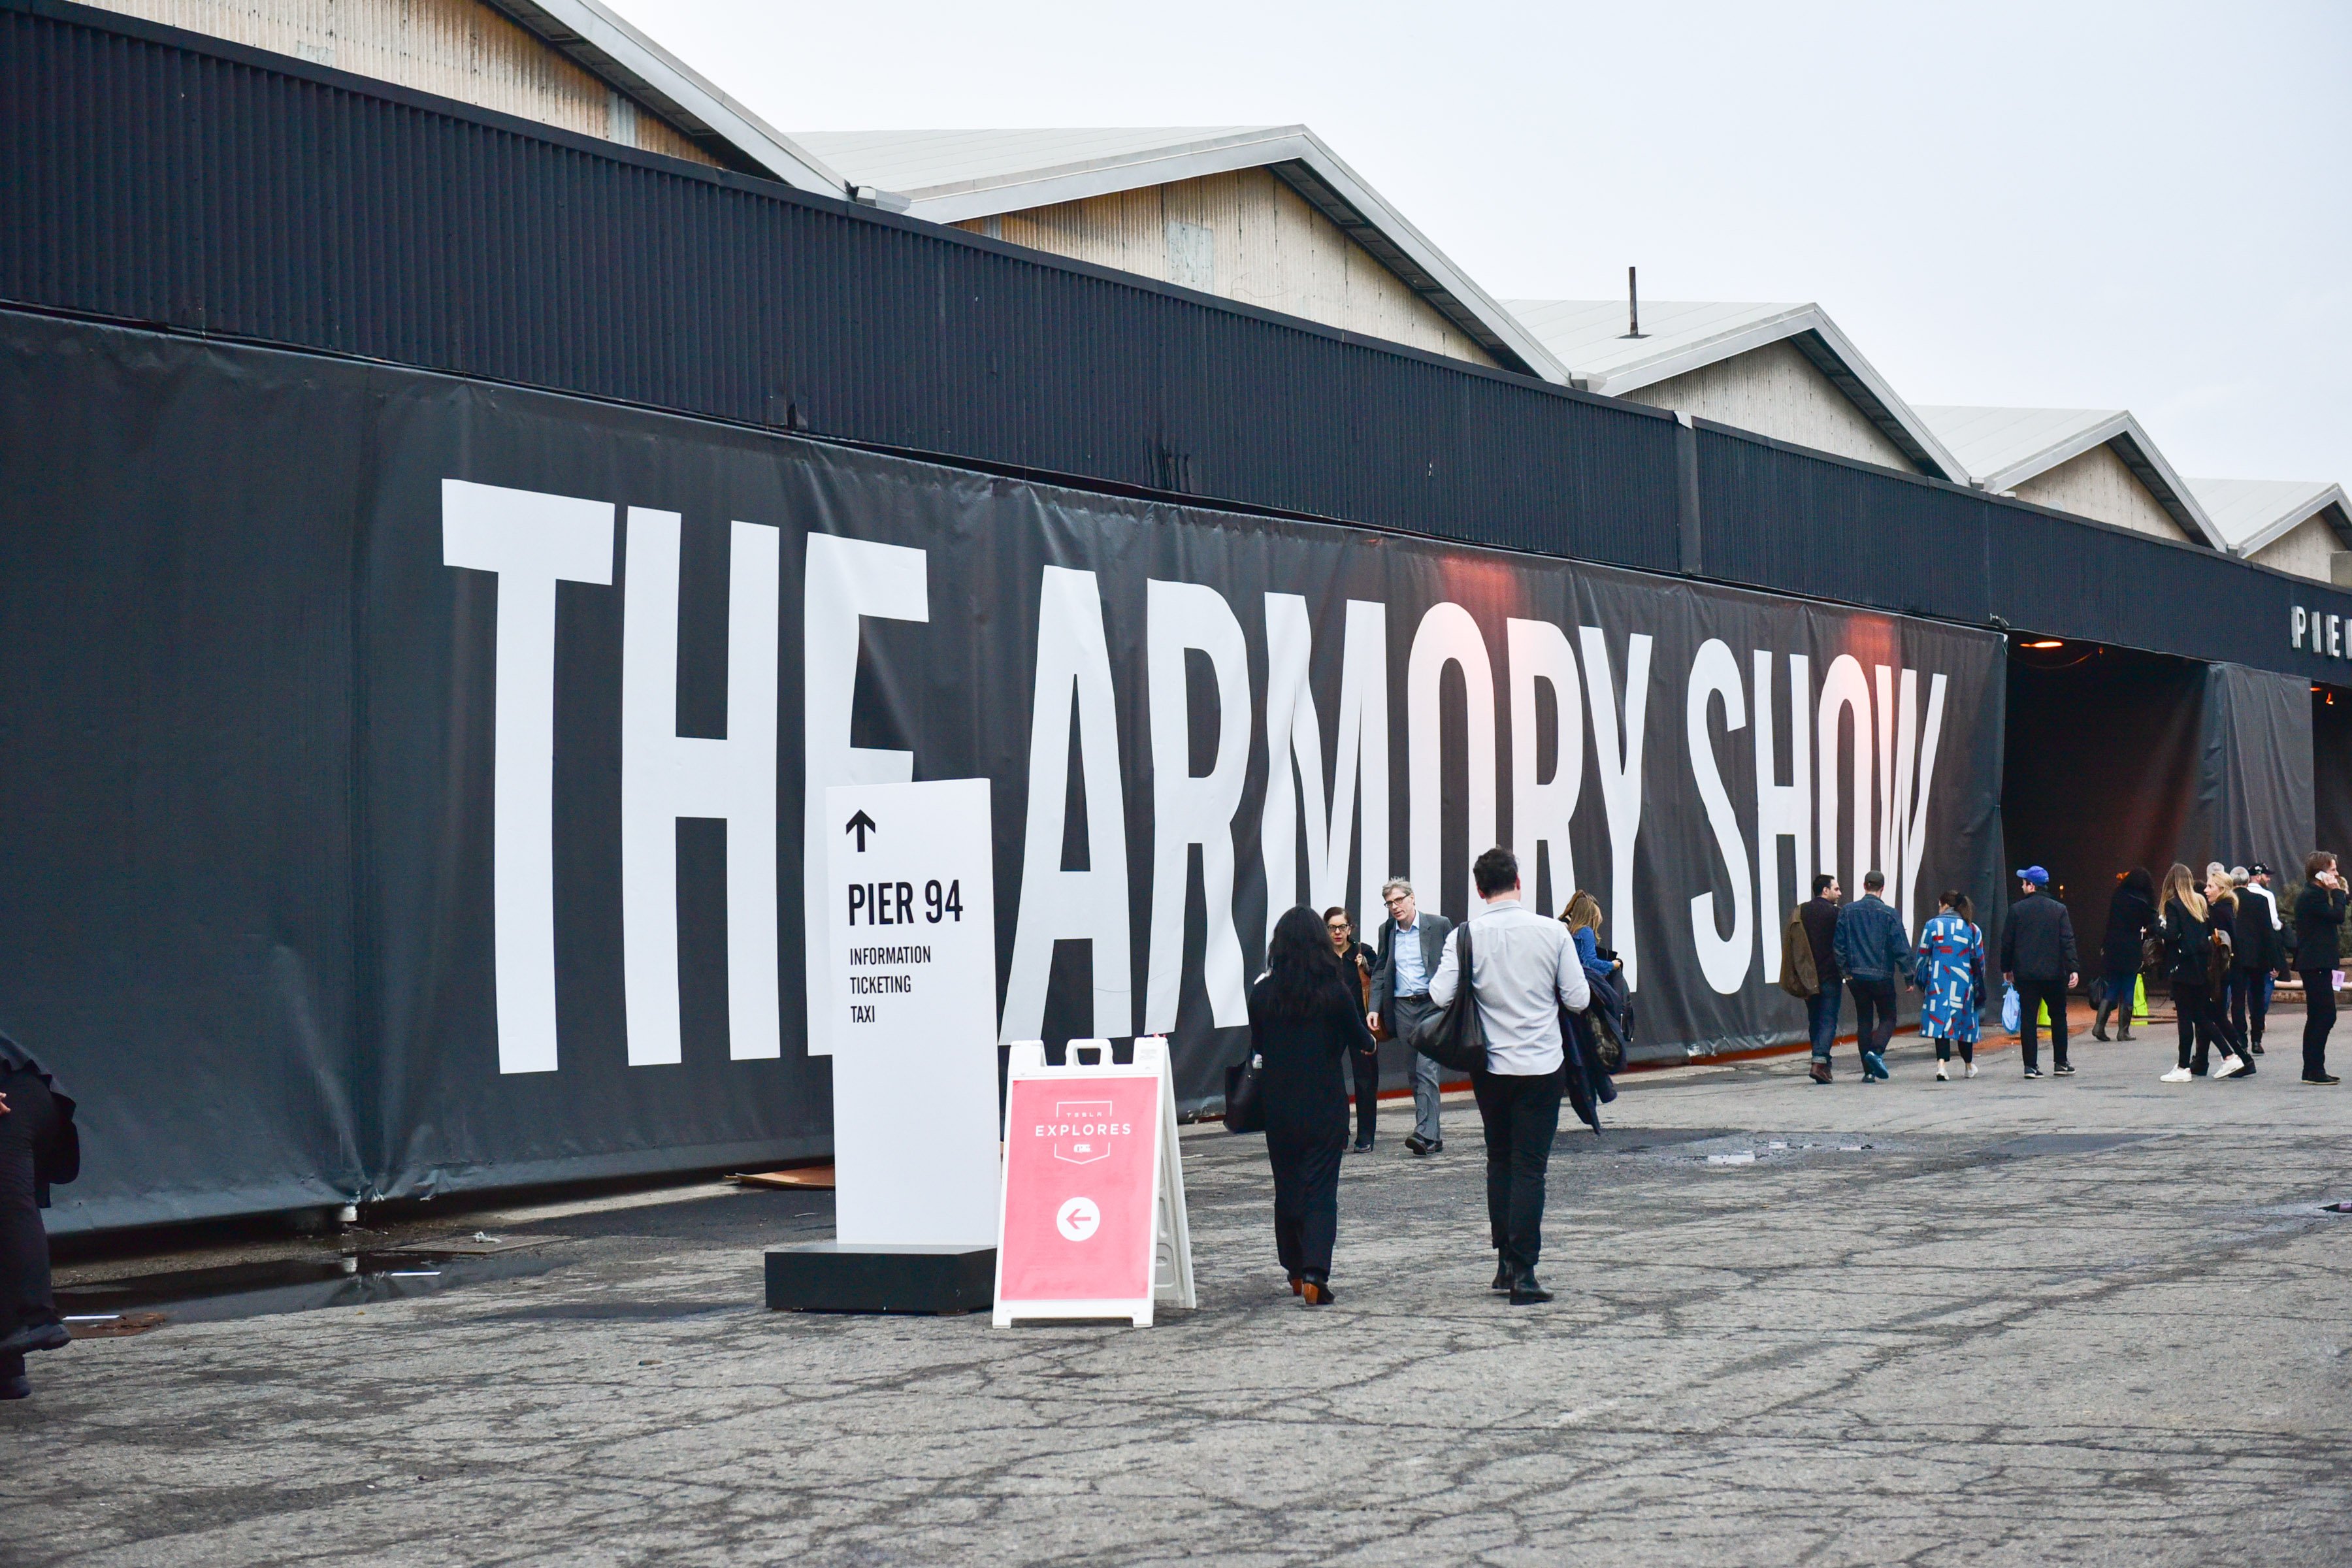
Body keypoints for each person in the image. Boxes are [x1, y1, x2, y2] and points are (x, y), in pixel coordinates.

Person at [1428, 846, 1589, 1306]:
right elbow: (1577, 999)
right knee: (1530, 1167)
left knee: (1498, 1158)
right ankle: (1525, 1270)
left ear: (1480, 891)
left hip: (1490, 1065)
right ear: (1518, 882)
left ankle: (1503, 1262)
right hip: (1541, 1064)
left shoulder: (1466, 935)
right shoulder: (1552, 932)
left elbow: (1440, 996)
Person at [1248, 906, 1379, 1306]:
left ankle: (1292, 1268)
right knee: (1321, 1189)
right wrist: (1371, 1042)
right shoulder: (1334, 991)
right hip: (1325, 1104)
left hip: (1280, 1106)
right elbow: (1361, 1037)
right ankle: (1315, 1275)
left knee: (1287, 1186)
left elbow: (1259, 1047)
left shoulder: (1262, 992)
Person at [0, 1032, 78, 1401]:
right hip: (25, 1096)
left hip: (11, 1094)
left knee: (8, 1200)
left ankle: (38, 1318)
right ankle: (7, 1371)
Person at [1367, 878, 1454, 1156]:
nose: (1395, 907)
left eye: (1399, 900)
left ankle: (1423, 1132)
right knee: (1414, 1073)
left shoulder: (1438, 925)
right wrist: (1374, 1007)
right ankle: (1433, 1137)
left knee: (1427, 1068)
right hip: (1403, 1008)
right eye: (1389, 903)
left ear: (1412, 898)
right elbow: (1380, 970)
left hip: (1432, 1004)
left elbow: (1454, 963)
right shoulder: (1387, 931)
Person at [2157, 863, 2246, 1083]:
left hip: (2182, 968)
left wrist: (2153, 927)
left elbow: (2171, 934)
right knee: (2198, 1016)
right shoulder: (2199, 904)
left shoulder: (2173, 905)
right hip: (2200, 967)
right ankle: (2223, 1057)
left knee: (2189, 1017)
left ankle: (2191, 1065)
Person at [1999, 866, 2080, 1079]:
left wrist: (2006, 968)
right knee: (2058, 1017)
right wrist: (2073, 968)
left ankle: (2030, 1066)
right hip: (2054, 974)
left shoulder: (2016, 910)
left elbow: (2007, 943)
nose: (2022, 885)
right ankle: (2061, 1063)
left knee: (2028, 1019)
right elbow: (2067, 941)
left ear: (2031, 885)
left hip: (2026, 975)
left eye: (2024, 882)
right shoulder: (2059, 909)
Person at [1832, 870, 1910, 1081]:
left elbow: (1838, 946)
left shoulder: (1847, 912)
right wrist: (1908, 975)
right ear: (1882, 889)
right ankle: (1876, 1052)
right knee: (1888, 1016)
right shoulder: (1890, 914)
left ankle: (1868, 1072)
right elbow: (1900, 945)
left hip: (1856, 977)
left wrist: (1846, 973)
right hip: (1882, 976)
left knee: (1864, 1020)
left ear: (1864, 886)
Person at [1324, 906, 1380, 1153]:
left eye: (1342, 927)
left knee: (1365, 1080)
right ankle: (1338, 1132)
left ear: (1350, 928)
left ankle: (1366, 1135)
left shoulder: (1363, 951)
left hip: (1358, 1022)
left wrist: (1366, 967)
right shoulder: (1320, 956)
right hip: (1329, 1025)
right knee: (1331, 1081)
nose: (1337, 933)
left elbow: (1380, 979)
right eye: (1332, 928)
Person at [1916, 891, 1986, 1081]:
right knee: (1965, 1024)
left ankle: (1941, 1065)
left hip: (1938, 981)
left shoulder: (1933, 925)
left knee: (1941, 1023)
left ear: (1944, 904)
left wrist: (1921, 980)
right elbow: (1980, 961)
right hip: (1964, 983)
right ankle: (1969, 1065)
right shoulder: (1972, 929)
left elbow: (1922, 955)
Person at [2293, 852, 2347, 1085]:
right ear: (2321, 874)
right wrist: (2337, 892)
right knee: (2324, 1015)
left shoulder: (2316, 895)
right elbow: (2338, 916)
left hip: (2320, 963)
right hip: (2315, 964)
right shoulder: (2311, 896)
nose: (2337, 875)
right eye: (2333, 870)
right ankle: (2314, 1069)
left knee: (2318, 1016)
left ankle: (2313, 1068)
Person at [2094, 868, 2158, 1042]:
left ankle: (2099, 1026)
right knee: (2129, 985)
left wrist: (2104, 944)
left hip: (2113, 944)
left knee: (2114, 984)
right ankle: (2123, 1031)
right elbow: (2152, 922)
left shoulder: (2118, 895)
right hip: (2131, 945)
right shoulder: (2143, 901)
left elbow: (2110, 922)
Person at [2203, 866, 2254, 1075]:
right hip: (2228, 969)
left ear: (2222, 889)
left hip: (2221, 970)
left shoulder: (2219, 912)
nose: (2206, 890)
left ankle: (2240, 1057)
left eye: (2210, 886)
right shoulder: (2227, 908)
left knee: (2214, 1014)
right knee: (2216, 1014)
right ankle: (2240, 1057)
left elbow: (2222, 944)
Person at [2231, 864, 2286, 1055]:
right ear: (2248, 881)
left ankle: (2240, 1038)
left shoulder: (2229, 902)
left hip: (2236, 956)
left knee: (2238, 999)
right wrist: (2275, 961)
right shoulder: (2261, 900)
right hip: (2258, 956)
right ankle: (2256, 1038)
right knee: (2257, 996)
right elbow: (2268, 932)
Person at [1800, 874, 1844, 1085]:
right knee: (1828, 1020)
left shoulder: (1801, 912)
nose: (1839, 893)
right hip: (1830, 976)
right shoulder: (1835, 914)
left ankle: (1823, 1063)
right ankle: (1819, 1064)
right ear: (1825, 891)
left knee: (1815, 1020)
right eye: (1836, 889)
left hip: (1808, 977)